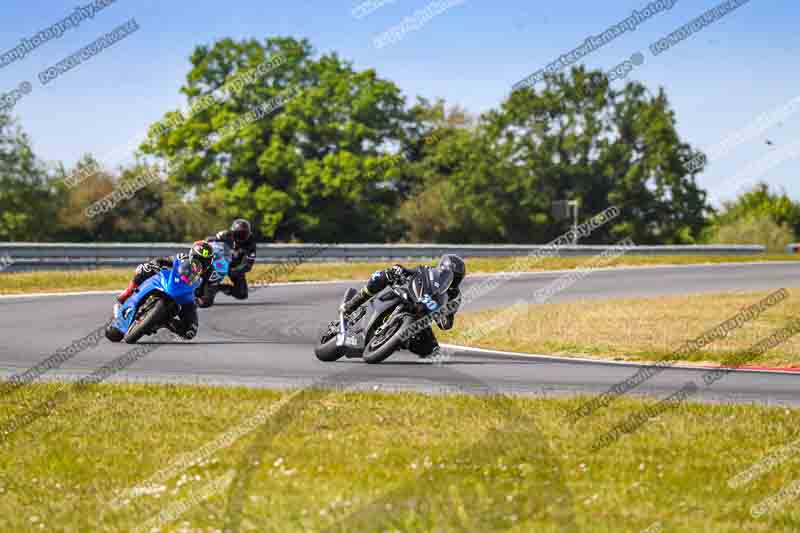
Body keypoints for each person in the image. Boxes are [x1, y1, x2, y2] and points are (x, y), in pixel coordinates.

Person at [340, 254, 466, 358]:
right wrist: (400, 270)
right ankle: (351, 305)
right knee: (383, 276)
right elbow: (411, 271)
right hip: (408, 296)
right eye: (451, 275)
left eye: (457, 278)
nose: (452, 280)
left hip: (421, 316)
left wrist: (444, 318)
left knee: (432, 351)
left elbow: (447, 323)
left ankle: (396, 342)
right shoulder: (429, 271)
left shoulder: (455, 297)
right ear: (441, 268)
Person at [114, 240, 214, 340]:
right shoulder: (182, 258)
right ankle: (127, 293)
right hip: (171, 283)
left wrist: (201, 300)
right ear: (192, 255)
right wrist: (155, 264)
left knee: (190, 331)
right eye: (198, 258)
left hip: (186, 297)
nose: (200, 263)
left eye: (205, 261)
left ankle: (165, 322)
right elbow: (164, 260)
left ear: (209, 262)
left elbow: (208, 293)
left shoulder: (210, 274)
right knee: (144, 269)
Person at [201, 218, 257, 303]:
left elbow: (249, 264)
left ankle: (218, 288)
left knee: (242, 294)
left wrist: (236, 270)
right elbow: (208, 241)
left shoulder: (251, 242)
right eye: (239, 234)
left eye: (244, 234)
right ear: (233, 232)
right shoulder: (224, 234)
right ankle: (202, 285)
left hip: (234, 267)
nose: (241, 237)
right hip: (220, 262)